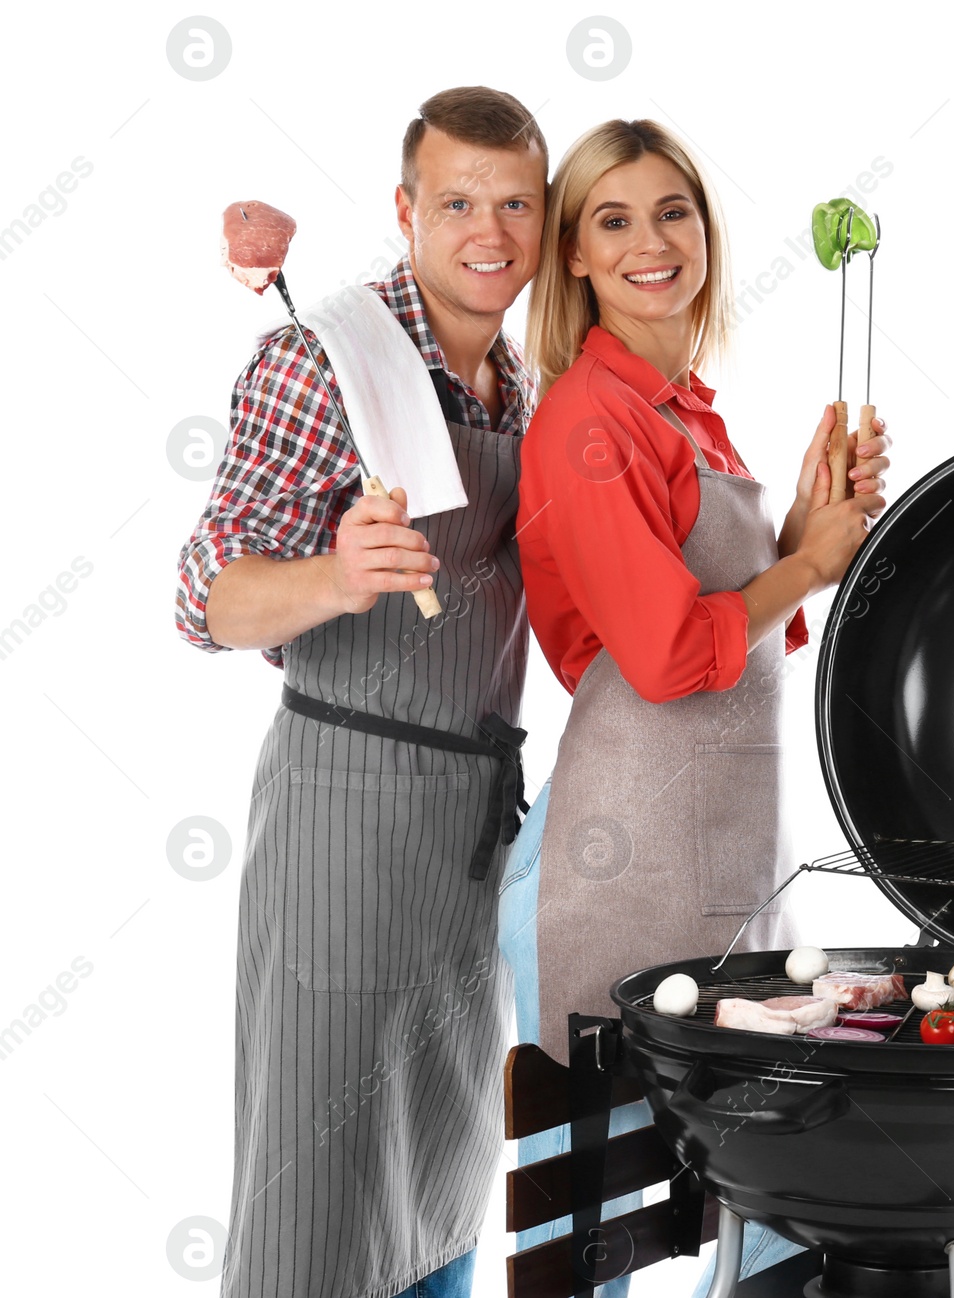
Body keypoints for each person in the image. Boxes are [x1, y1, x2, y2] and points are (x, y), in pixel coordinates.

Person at [503, 117, 891, 1296]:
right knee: (593, 1237)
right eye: (612, 220)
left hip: (718, 857)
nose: (650, 241)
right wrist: (808, 563)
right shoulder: (587, 419)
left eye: (672, 211)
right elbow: (672, 656)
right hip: (607, 869)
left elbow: (738, 619)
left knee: (761, 1197)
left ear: (707, 234)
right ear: (573, 253)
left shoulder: (684, 409)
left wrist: (802, 526)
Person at [176, 86, 548, 1298]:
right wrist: (336, 576)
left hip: (465, 831)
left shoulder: (519, 382)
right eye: (455, 203)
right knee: (319, 1199)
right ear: (404, 210)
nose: (485, 231)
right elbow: (205, 599)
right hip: (345, 819)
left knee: (436, 1184)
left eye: (512, 204)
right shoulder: (317, 357)